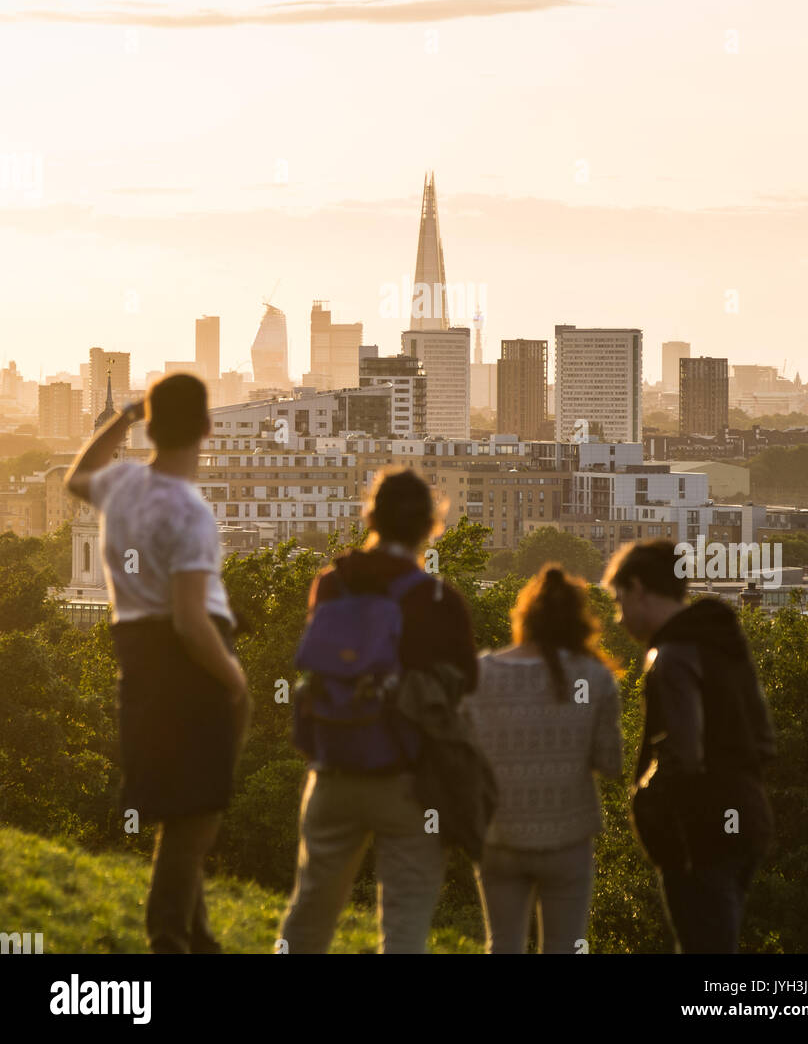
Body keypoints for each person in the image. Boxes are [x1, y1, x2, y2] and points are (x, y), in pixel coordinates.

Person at [65, 373, 248, 954]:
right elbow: (193, 621)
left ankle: (195, 934)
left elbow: (77, 477)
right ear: (206, 428)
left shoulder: (121, 484)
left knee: (177, 798)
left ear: (150, 423)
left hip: (138, 654)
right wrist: (235, 677)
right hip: (190, 661)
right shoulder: (189, 513)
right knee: (198, 811)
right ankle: (169, 935)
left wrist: (122, 416)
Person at [279, 467, 477, 955]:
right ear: (431, 526)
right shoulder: (439, 599)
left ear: (371, 516)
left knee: (311, 910)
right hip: (409, 779)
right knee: (405, 922)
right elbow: (466, 685)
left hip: (332, 765)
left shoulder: (332, 583)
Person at [603, 539, 775, 954]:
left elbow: (684, 752)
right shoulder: (719, 642)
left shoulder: (673, 656)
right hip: (745, 816)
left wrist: (645, 802)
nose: (619, 616)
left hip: (697, 833)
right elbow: (764, 739)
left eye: (619, 600)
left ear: (640, 589)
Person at [462, 564, 622, 954]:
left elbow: (462, 756)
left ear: (524, 617)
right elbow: (611, 763)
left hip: (498, 835)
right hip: (567, 836)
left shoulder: (481, 674)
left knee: (502, 944)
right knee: (565, 946)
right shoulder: (595, 678)